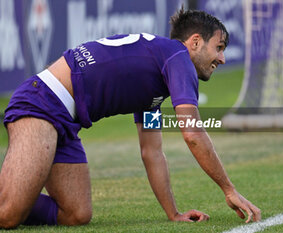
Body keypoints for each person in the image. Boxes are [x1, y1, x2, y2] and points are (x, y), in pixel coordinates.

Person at [0, 7, 261, 228]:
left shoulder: (155, 88)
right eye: (219, 47)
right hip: (42, 103)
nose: (223, 58)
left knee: (76, 214)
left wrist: (174, 214)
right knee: (9, 213)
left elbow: (152, 152)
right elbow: (192, 134)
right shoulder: (179, 58)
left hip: (65, 123)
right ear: (195, 42)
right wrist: (228, 189)